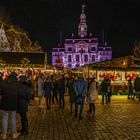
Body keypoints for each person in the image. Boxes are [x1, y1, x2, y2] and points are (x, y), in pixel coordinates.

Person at [0, 72, 20, 139]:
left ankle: (4, 134)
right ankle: (14, 134)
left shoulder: (3, 83)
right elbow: (19, 94)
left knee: (4, 119)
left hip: (4, 104)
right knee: (13, 119)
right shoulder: (17, 84)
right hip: (13, 104)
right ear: (15, 77)